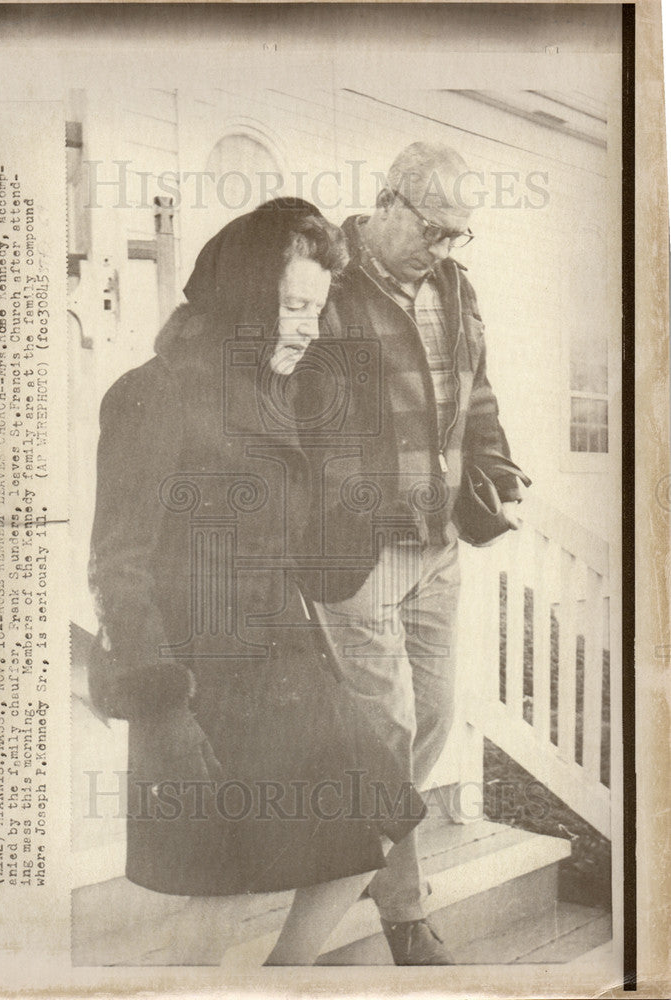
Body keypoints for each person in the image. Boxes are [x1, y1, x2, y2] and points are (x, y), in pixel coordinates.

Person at [87, 198, 426, 966]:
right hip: (198, 678)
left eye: (317, 307)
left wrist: (361, 506)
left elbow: (313, 564)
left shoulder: (281, 393)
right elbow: (117, 562)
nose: (309, 326)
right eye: (294, 306)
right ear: (243, 296)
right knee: (205, 899)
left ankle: (281, 977)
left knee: (376, 818)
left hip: (285, 660)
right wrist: (163, 708)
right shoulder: (152, 392)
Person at [294, 143, 529, 964]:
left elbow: (478, 389)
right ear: (387, 202)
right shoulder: (325, 277)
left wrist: (493, 467)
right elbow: (286, 401)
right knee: (387, 726)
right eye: (433, 230)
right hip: (358, 545)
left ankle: (363, 840)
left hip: (437, 543)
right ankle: (403, 910)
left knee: (428, 716)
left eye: (455, 236)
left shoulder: (454, 288)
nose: (442, 248)